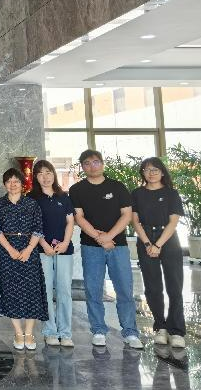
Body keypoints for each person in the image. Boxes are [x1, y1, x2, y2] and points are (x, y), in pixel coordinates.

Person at [70, 149, 144, 349]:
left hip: (118, 246)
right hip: (91, 247)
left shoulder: (117, 187)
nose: (92, 166)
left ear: (102, 164)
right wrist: (99, 238)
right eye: (87, 163)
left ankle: (130, 332)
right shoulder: (77, 189)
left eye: (95, 162)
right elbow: (79, 218)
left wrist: (109, 237)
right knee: (93, 290)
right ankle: (98, 330)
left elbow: (126, 215)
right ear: (82, 167)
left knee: (124, 290)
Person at [132, 157, 186, 348]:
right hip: (145, 238)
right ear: (143, 173)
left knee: (174, 286)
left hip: (169, 239)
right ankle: (160, 327)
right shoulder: (137, 193)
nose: (151, 173)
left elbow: (173, 222)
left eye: (155, 169)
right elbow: (135, 221)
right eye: (147, 170)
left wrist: (158, 244)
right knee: (152, 287)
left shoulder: (171, 193)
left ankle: (176, 331)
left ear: (162, 172)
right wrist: (148, 243)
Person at [0, 168, 48, 350]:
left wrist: (29, 249)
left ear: (22, 184)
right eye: (9, 181)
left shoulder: (32, 204)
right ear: (4, 184)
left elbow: (38, 229)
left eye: (16, 181)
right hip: (6, 252)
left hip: (29, 252)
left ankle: (29, 333)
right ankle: (18, 332)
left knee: (32, 291)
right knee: (10, 291)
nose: (13, 184)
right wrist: (9, 249)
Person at [29, 159, 76, 348]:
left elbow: (70, 222)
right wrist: (44, 244)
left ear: (53, 174)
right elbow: (32, 225)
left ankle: (65, 332)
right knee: (46, 291)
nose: (45, 177)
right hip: (42, 250)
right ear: (36, 177)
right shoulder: (32, 198)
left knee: (64, 290)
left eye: (48, 172)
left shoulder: (63, 196)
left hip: (64, 250)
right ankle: (50, 331)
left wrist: (65, 243)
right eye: (40, 174)